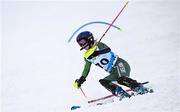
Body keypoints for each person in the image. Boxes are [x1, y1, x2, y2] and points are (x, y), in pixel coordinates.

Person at [73, 31, 146, 98]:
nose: (82, 45)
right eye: (79, 44)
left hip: (120, 64)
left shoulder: (99, 45)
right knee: (103, 81)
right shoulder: (87, 57)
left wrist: (96, 53)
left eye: (82, 42)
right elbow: (86, 69)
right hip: (113, 72)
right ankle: (120, 93)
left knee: (121, 79)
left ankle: (138, 87)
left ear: (89, 39)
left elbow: (107, 49)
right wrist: (81, 79)